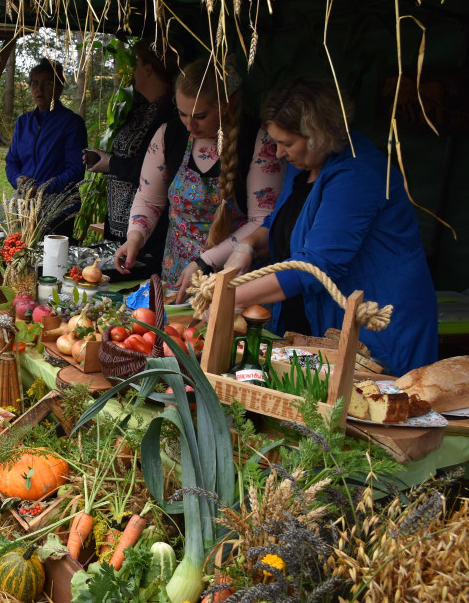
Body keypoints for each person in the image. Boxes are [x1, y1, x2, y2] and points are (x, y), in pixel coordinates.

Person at [223, 79, 437, 376]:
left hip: (378, 327)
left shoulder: (359, 173)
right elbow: (279, 225)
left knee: (371, 409)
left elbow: (315, 266)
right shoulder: (305, 165)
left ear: (318, 135)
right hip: (319, 322)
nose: (280, 153)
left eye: (287, 144)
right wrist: (245, 248)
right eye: (276, 143)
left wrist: (230, 297)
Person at [114, 59, 285, 301]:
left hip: (233, 281)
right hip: (176, 278)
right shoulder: (169, 134)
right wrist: (135, 237)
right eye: (183, 114)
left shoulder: (259, 141)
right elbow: (149, 198)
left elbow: (261, 221)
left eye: (200, 116)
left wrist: (206, 262)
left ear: (225, 106)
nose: (189, 124)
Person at [85, 42, 180, 278]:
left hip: (146, 233)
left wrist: (112, 164)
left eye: (137, 65)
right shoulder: (141, 108)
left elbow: (156, 173)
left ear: (148, 68)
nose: (134, 73)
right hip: (122, 225)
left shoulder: (169, 114)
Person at [4, 58, 87, 196]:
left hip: (59, 205)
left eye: (47, 83)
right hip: (26, 202)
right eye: (34, 83)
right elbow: (12, 162)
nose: (39, 89)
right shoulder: (23, 122)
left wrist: (41, 188)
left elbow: (76, 170)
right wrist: (17, 179)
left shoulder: (71, 123)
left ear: (59, 88)